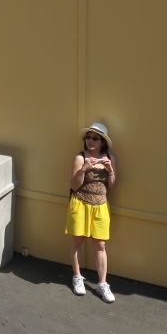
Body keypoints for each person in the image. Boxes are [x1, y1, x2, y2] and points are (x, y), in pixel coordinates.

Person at [66, 122, 117, 303]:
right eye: (88, 137)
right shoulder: (80, 158)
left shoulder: (109, 158)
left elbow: (112, 186)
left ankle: (102, 283)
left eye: (95, 138)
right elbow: (74, 185)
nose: (90, 141)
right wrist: (84, 169)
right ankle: (77, 277)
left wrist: (110, 171)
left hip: (101, 205)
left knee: (100, 245)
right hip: (81, 203)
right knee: (77, 240)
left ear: (102, 142)